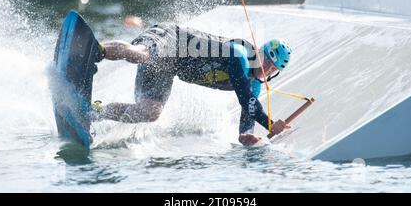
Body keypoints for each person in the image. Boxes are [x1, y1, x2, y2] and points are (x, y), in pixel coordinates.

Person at [93, 23, 292, 146]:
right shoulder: (239, 56)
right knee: (143, 54)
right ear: (260, 51)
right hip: (171, 39)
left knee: (150, 112)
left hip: (169, 67)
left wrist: (248, 137)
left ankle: (95, 111)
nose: (267, 69)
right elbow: (245, 99)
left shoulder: (254, 85)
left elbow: (247, 121)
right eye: (267, 61)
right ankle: (96, 50)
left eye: (273, 69)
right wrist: (269, 123)